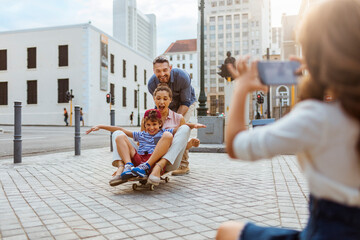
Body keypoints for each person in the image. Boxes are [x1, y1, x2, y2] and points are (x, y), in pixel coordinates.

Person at [216, 0, 360, 239]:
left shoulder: (317, 118)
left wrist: (240, 88)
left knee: (227, 231)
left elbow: (236, 145)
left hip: (329, 232)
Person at [87, 84, 204, 186]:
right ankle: (124, 167)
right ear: (154, 99)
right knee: (118, 133)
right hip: (142, 157)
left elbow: (179, 146)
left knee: (180, 129)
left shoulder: (176, 121)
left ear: (170, 100)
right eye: (158, 98)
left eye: (165, 98)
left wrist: (191, 135)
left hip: (166, 160)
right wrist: (101, 126)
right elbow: (138, 141)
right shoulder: (147, 120)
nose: (161, 102)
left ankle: (156, 167)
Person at [148, 56, 197, 175]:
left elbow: (185, 102)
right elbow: (158, 103)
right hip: (167, 104)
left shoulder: (182, 77)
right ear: (154, 71)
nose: (162, 73)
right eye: (158, 71)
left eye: (165, 70)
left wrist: (175, 120)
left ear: (170, 68)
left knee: (180, 129)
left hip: (185, 103)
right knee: (159, 129)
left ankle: (184, 165)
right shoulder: (151, 84)